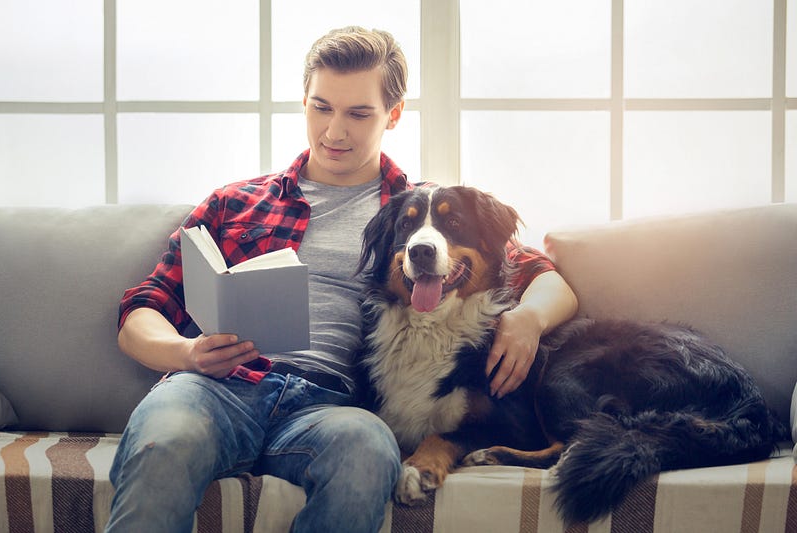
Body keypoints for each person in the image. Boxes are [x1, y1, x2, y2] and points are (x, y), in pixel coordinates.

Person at [105, 26, 578, 533]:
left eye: (358, 113)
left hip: (331, 404)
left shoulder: (417, 218)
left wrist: (529, 319)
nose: (335, 131)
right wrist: (185, 354)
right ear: (304, 102)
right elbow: (142, 310)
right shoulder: (235, 203)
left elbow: (545, 278)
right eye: (321, 107)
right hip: (214, 389)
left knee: (369, 453)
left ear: (393, 115)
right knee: (164, 441)